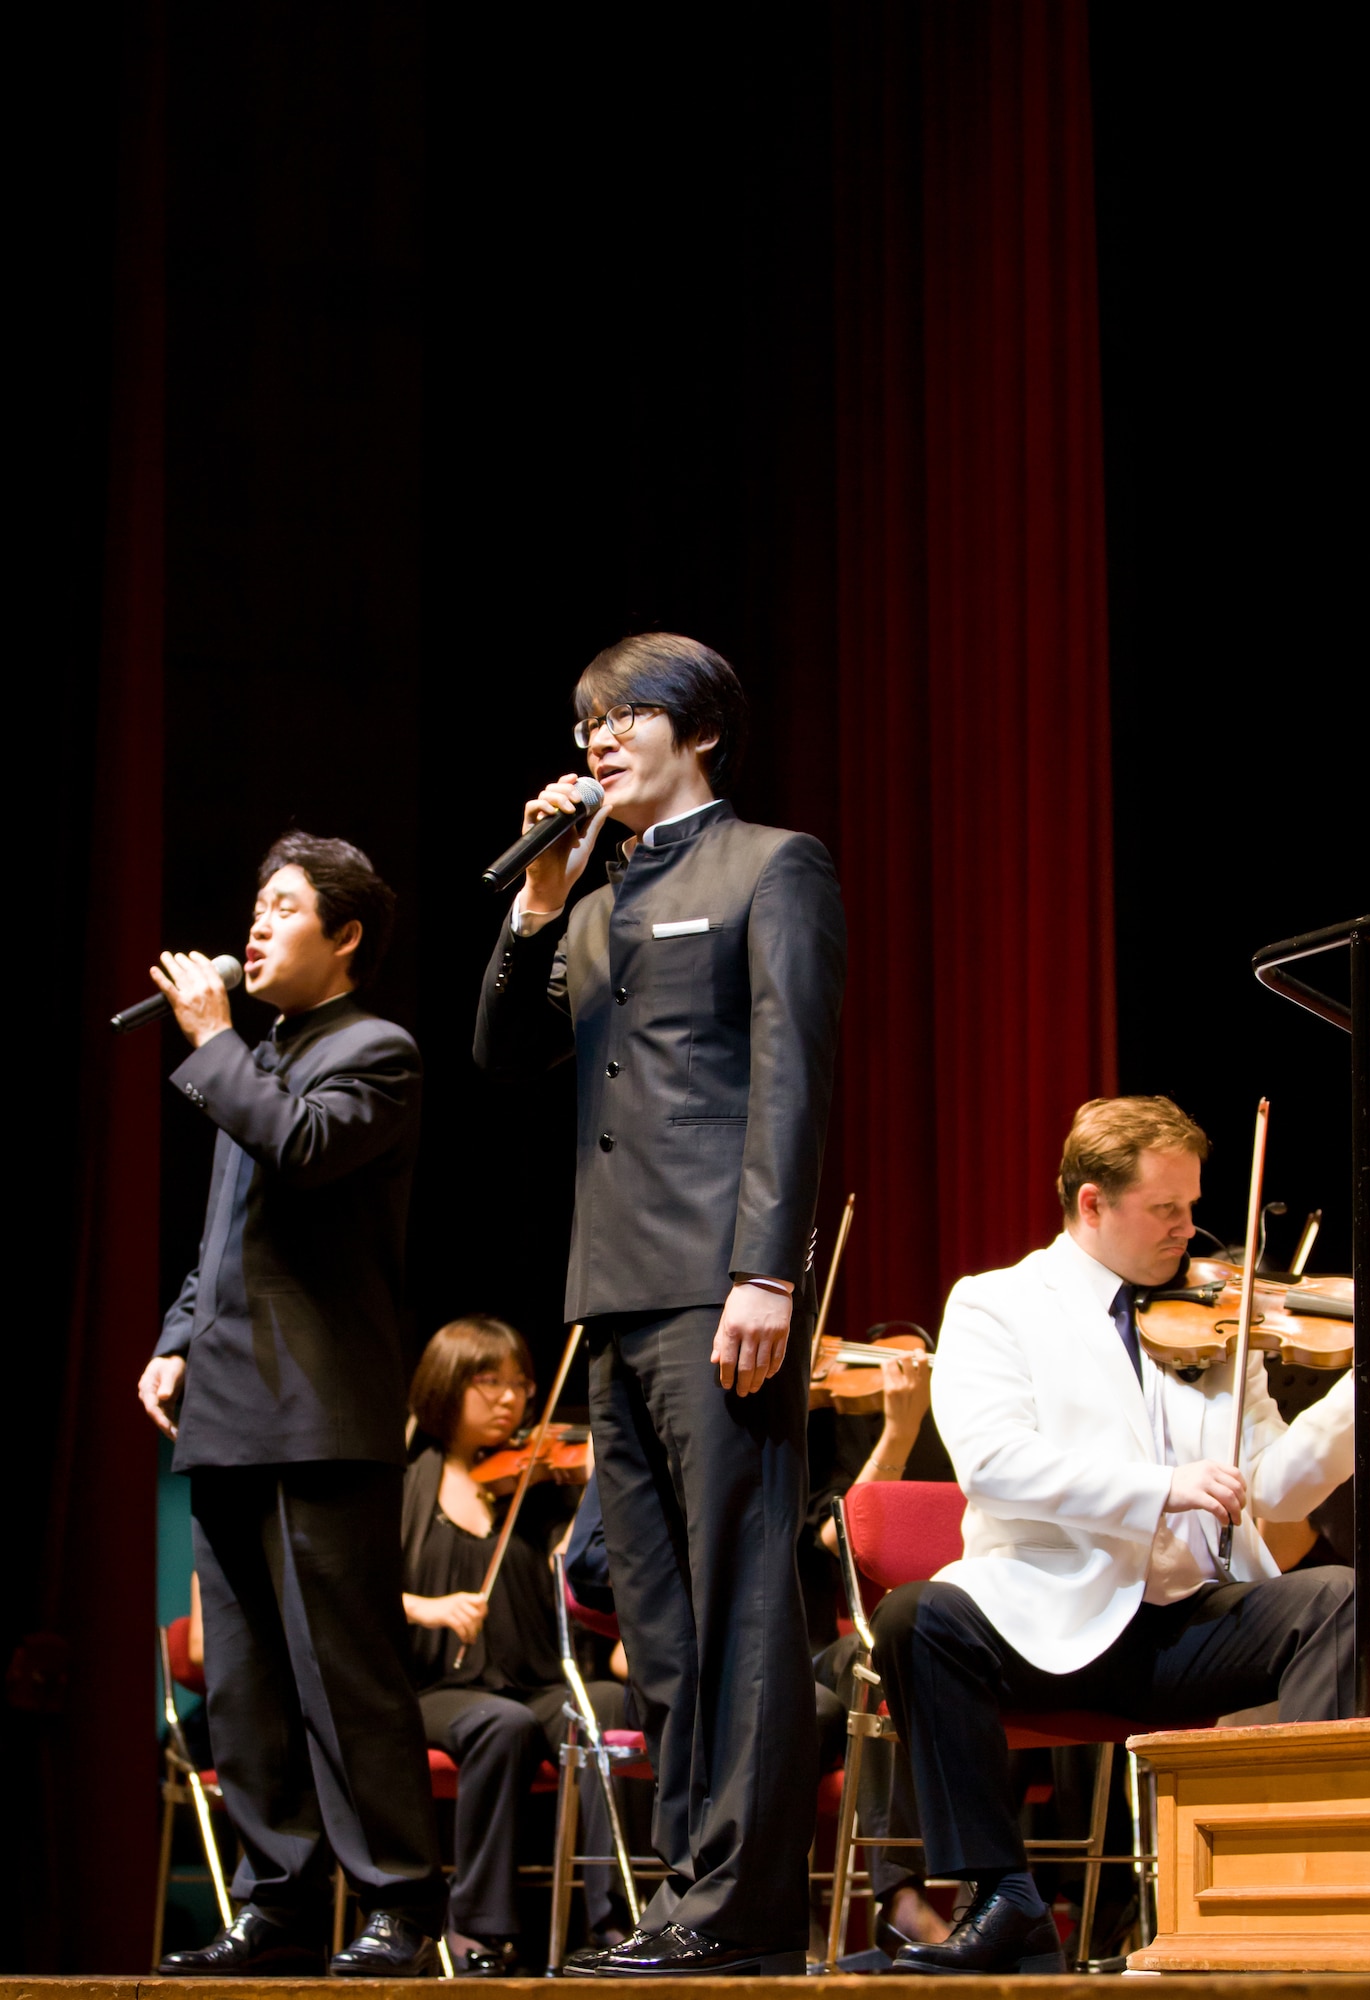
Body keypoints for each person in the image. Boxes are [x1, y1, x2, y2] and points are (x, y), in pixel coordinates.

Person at [473, 633, 846, 1976]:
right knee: (662, 1618)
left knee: (746, 1596)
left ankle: (740, 1909)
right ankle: (690, 1889)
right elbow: (506, 1052)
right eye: (587, 724)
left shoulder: (772, 864)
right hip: (611, 1293)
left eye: (625, 715)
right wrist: (537, 902)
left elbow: (789, 1079)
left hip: (717, 1282)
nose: (598, 741)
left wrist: (768, 1270)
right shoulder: (592, 895)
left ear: (697, 730)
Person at [870, 1094, 1370, 1976]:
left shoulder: (1210, 1320)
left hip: (1182, 1629)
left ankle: (1307, 1876)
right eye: (1167, 1209)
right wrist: (1161, 1489)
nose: (1189, 1229)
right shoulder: (998, 1305)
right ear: (1093, 1203)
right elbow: (995, 1464)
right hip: (1046, 1623)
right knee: (915, 1616)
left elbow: (1274, 1483)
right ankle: (1004, 1900)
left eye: (1195, 1206)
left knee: (1339, 1597)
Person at [137, 833, 446, 1977]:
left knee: (340, 1664)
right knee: (248, 1674)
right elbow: (227, 1237)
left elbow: (304, 1149)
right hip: (225, 1400)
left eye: (283, 907)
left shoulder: (375, 1051)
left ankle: (397, 1903)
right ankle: (277, 1898)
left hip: (315, 1407)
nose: (255, 926)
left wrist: (215, 1040)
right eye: (253, 905)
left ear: (347, 934)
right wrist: (174, 1338)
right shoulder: (258, 1057)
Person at [401, 1314, 628, 1973]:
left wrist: (589, 1505)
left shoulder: (533, 1489)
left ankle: (613, 1919)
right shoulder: (407, 1486)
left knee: (606, 1705)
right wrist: (430, 1608)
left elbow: (579, 1571)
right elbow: (356, 1599)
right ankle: (476, 1927)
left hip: (530, 1683)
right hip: (436, 1691)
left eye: (520, 1384)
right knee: (499, 1726)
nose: (509, 1398)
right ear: (446, 1385)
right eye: (487, 1381)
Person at [803, 1347, 950, 1956]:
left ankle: (1011, 1899)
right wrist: (898, 1428)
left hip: (940, 1642)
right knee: (882, 1655)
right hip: (820, 1653)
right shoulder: (817, 1429)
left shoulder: (958, 1430)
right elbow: (839, 1538)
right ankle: (902, 1900)